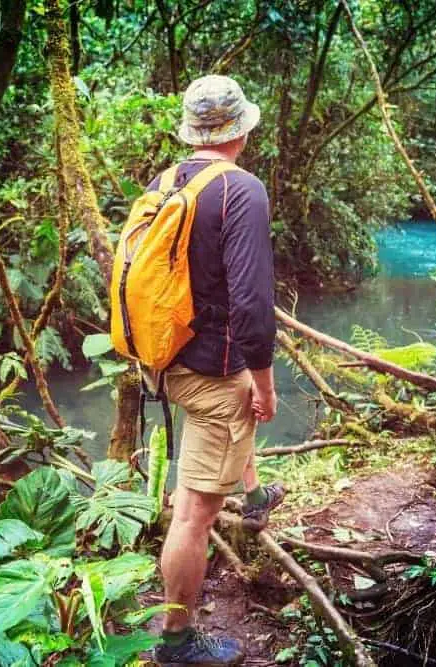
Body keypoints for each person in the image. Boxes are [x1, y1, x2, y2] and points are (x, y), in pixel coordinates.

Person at [150, 75, 285, 666]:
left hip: (166, 359)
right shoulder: (241, 189)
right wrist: (266, 381)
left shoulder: (165, 181)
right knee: (193, 515)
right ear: (242, 130)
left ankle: (253, 496)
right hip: (211, 373)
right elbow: (253, 307)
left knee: (231, 410)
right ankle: (176, 643)